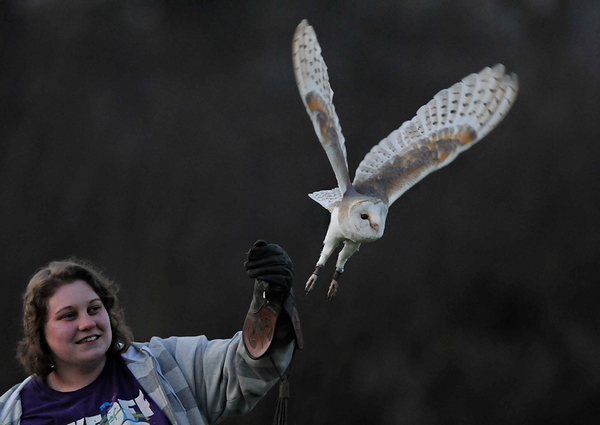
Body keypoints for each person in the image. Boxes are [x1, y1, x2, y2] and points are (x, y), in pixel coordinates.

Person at [0, 240, 302, 425]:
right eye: (68, 316)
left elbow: (243, 368)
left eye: (94, 309)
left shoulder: (165, 366)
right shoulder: (13, 412)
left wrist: (270, 302)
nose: (87, 323)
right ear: (40, 331)